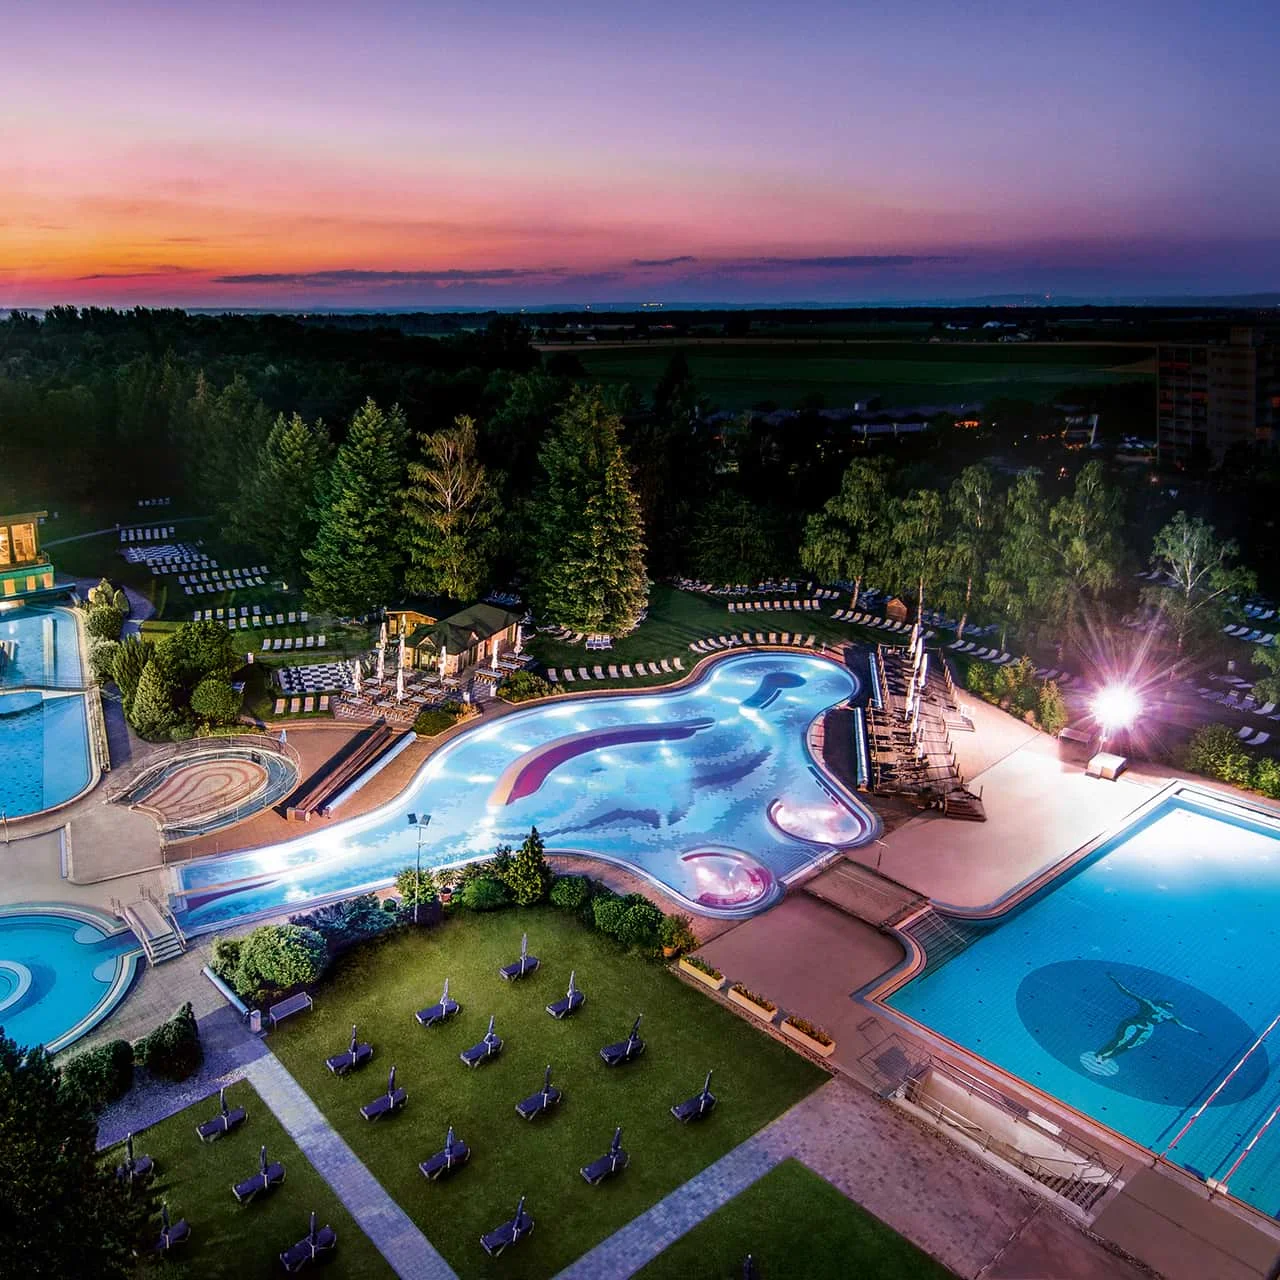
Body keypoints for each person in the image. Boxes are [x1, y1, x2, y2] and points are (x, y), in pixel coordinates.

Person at [1090, 973, 1199, 1065]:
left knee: (1129, 1044)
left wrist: (1195, 1031)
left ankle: (1106, 1056)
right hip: (1135, 1022)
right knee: (1121, 1040)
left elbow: (1181, 1024)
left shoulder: (1165, 1014)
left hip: (1146, 1028)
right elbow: (1128, 992)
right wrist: (1114, 980)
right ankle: (1100, 1054)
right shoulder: (1152, 1006)